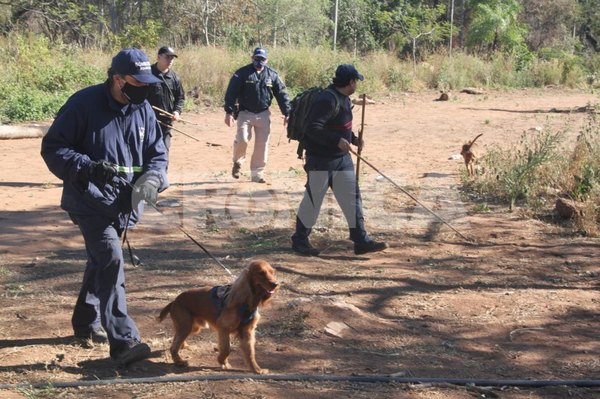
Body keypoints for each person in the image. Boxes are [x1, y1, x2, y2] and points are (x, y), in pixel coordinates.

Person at [40, 48, 169, 366]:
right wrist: (87, 167)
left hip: (126, 204)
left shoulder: (144, 111)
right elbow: (53, 148)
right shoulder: (82, 104)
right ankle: (124, 341)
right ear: (117, 79)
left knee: (100, 261)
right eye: (136, 83)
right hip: (89, 201)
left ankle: (85, 323)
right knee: (111, 258)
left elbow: (157, 155)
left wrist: (151, 183)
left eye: (146, 83)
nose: (143, 89)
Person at [291, 64, 388, 256]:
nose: (357, 85)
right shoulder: (326, 99)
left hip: (341, 159)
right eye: (356, 81)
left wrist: (353, 139)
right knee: (313, 200)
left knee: (352, 198)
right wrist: (337, 141)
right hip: (321, 160)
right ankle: (299, 240)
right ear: (350, 81)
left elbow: (338, 125)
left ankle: (360, 240)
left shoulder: (343, 99)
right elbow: (313, 128)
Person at [224, 47, 291, 183]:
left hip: (264, 114)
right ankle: (237, 162)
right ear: (252, 58)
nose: (259, 62)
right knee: (242, 139)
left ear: (266, 60)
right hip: (245, 113)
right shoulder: (242, 73)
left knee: (262, 144)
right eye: (256, 59)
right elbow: (231, 93)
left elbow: (282, 95)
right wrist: (229, 112)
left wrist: (287, 113)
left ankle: (257, 174)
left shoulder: (272, 75)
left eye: (262, 59)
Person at [147, 46, 185, 155]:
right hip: (148, 121)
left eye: (172, 58)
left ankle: (162, 172)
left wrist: (177, 111)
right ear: (158, 57)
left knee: (163, 153)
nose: (170, 61)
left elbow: (180, 98)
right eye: (167, 57)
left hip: (165, 123)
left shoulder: (174, 78)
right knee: (147, 153)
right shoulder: (147, 75)